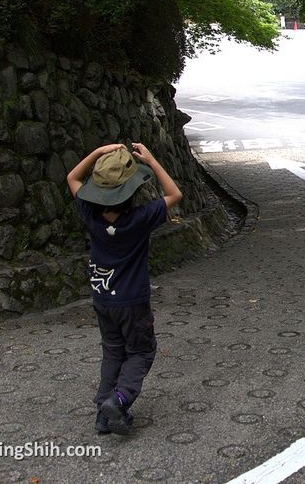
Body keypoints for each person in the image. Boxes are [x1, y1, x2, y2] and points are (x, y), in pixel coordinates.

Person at [66, 142, 182, 435]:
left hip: (102, 297)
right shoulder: (140, 218)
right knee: (142, 351)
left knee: (113, 352)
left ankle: (102, 414)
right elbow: (175, 194)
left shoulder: (89, 213)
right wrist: (153, 161)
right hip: (133, 301)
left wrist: (95, 153)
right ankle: (118, 401)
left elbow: (72, 178)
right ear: (130, 190)